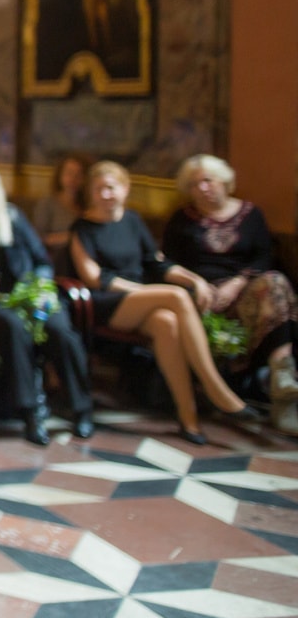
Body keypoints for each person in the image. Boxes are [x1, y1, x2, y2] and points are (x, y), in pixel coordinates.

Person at [71, 160, 256, 444]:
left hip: (142, 299)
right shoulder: (83, 227)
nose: (105, 194)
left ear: (124, 188)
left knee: (167, 323)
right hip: (105, 302)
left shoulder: (132, 220)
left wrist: (193, 280)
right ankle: (214, 387)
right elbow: (94, 277)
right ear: (90, 193)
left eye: (110, 187)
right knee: (175, 296)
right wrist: (138, 290)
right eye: (98, 189)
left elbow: (156, 263)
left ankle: (188, 417)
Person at [0, 162, 94, 446]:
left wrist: (39, 288)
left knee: (59, 329)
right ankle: (30, 412)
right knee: (14, 326)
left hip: (30, 296)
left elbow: (42, 261)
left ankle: (81, 408)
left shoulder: (13, 219)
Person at [164, 154, 298, 433]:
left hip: (244, 291)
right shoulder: (182, 219)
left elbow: (263, 258)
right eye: (194, 184)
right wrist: (198, 284)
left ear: (225, 182)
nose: (201, 188)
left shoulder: (251, 215)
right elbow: (166, 262)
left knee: (275, 284)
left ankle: (283, 382)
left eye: (207, 181)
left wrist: (237, 283)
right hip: (197, 296)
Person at [33, 153, 87, 257]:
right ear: (60, 175)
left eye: (79, 175)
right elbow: (37, 239)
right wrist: (71, 238)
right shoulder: (47, 203)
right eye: (69, 173)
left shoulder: (90, 204)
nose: (73, 179)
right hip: (56, 258)